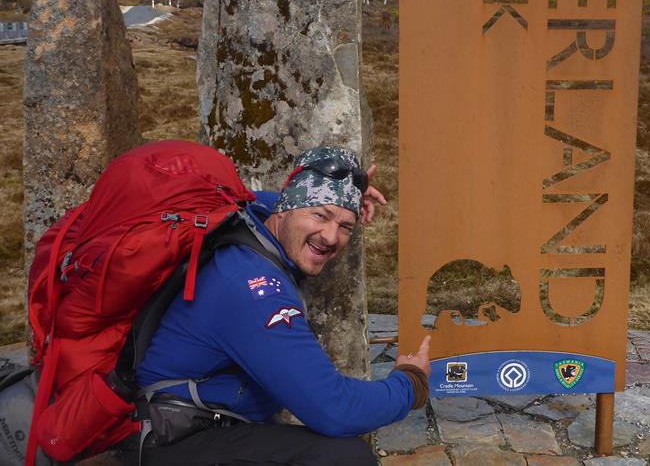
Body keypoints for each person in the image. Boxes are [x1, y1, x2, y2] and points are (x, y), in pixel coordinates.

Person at [129, 146, 431, 465]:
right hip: (170, 440)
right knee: (344, 459)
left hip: (193, 424)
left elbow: (285, 199)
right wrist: (409, 383)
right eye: (320, 215)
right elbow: (335, 409)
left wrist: (344, 196)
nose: (330, 236)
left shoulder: (252, 214)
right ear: (286, 211)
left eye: (345, 227)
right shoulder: (254, 289)